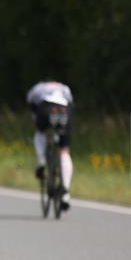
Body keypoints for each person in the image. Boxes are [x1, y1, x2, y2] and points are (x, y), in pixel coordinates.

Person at [26, 80, 74, 211]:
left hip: (46, 108)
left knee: (40, 132)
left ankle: (41, 161)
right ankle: (65, 192)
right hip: (64, 109)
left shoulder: (38, 88)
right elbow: (71, 104)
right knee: (64, 150)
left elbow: (31, 104)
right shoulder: (65, 88)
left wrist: (36, 120)